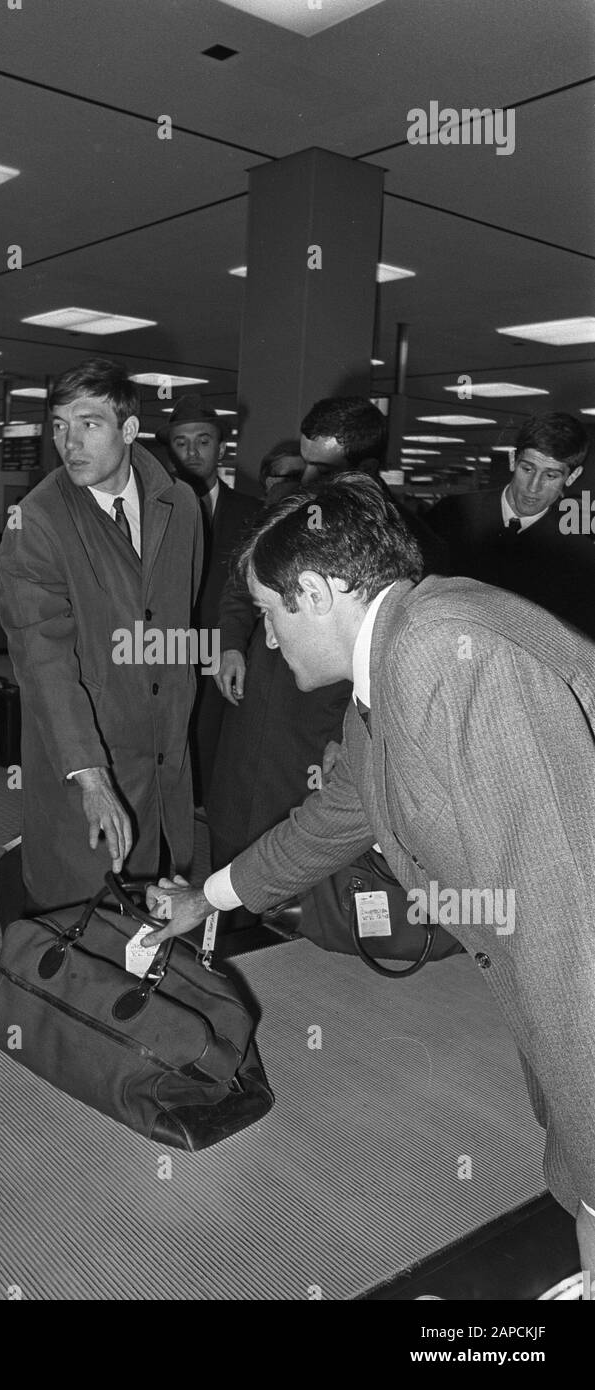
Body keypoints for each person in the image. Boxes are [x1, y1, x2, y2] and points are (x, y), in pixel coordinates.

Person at [143, 472, 595, 1287]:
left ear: (315, 592)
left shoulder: (445, 656)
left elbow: (569, 922)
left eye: (271, 614)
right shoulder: (393, 668)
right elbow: (333, 820)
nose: (268, 640)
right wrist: (202, 899)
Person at [0, 357, 203, 908]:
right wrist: (91, 777)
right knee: (86, 913)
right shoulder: (36, 521)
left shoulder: (179, 506)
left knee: (164, 907)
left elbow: (182, 616)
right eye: (60, 426)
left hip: (165, 755)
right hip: (87, 756)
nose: (70, 442)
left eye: (89, 424)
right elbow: (42, 658)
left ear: (130, 430)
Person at [207, 400, 395, 878]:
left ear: (364, 467)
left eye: (320, 466)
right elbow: (240, 582)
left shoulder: (402, 538)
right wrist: (231, 642)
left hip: (323, 717)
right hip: (259, 702)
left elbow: (387, 663)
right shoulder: (287, 512)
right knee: (235, 812)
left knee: (300, 837)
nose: (306, 475)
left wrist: (347, 740)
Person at [162, 394, 261, 802]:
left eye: (203, 441)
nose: (192, 452)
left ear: (221, 447)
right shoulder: (150, 511)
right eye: (181, 442)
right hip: (162, 651)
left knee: (219, 753)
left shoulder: (252, 512)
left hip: (225, 651)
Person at [429, 412, 595, 639]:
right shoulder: (451, 515)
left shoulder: (579, 556)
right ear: (512, 460)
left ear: (572, 476)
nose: (533, 487)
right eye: (527, 469)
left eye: (551, 475)